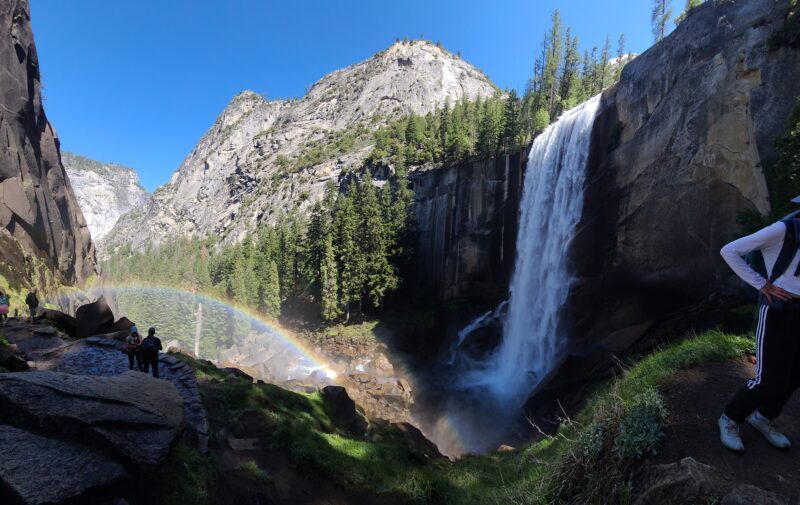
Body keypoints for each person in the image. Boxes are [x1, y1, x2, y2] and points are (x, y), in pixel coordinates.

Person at [718, 195, 800, 452]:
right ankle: (730, 418)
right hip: (777, 311)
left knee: (795, 374)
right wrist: (762, 284)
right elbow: (729, 250)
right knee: (768, 378)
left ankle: (763, 418)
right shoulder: (784, 230)